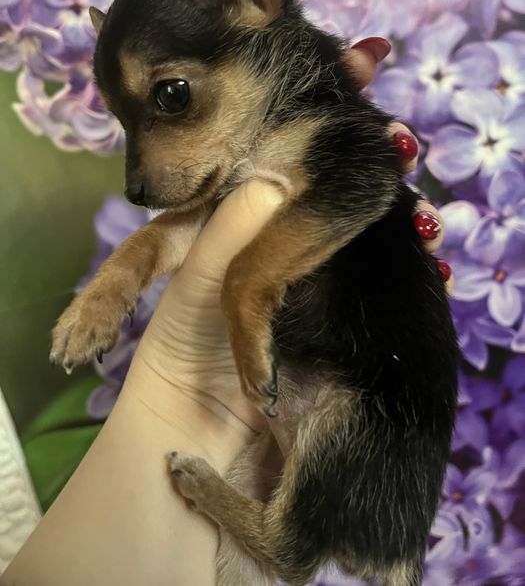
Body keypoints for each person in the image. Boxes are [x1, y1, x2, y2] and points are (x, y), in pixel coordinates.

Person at [1, 38, 451, 586]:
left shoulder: (296, 111)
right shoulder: (223, 162)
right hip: (272, 405)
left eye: (174, 98)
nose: (140, 173)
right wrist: (115, 298)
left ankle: (286, 537)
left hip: (352, 389)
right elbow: (179, 233)